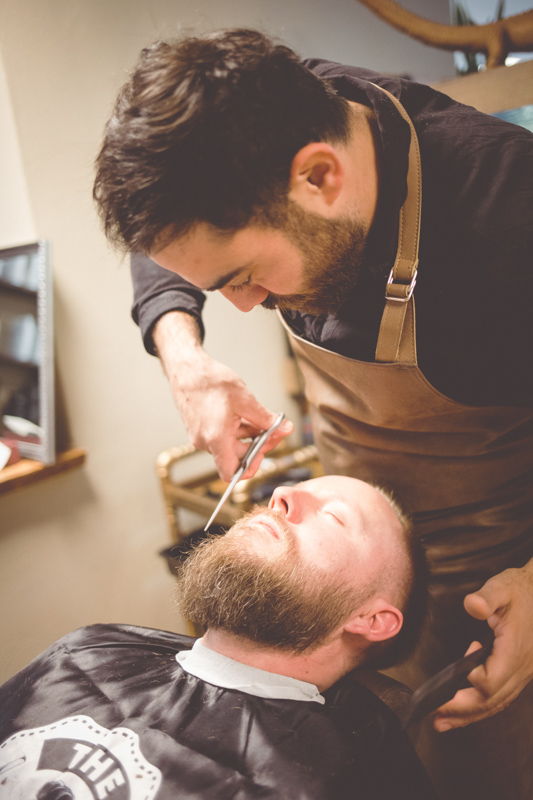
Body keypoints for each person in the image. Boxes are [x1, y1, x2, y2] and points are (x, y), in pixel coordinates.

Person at [92, 29, 533, 798]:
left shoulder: (506, 212)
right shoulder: (267, 117)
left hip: (497, 572)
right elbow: (160, 240)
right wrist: (183, 356)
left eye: (245, 275)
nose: (243, 304)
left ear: (319, 178)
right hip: (370, 540)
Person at [0, 476, 437, 800]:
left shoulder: (333, 781)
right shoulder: (90, 647)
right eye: (294, 488)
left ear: (372, 619)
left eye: (335, 515)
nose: (283, 494)